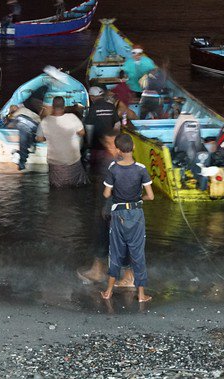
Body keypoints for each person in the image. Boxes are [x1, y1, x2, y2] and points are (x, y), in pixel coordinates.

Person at [76, 133, 134, 288]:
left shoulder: (119, 165)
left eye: (113, 144)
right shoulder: (119, 163)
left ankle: (129, 277)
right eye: (108, 143)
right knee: (102, 238)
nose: (110, 147)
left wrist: (109, 206)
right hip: (111, 209)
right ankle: (98, 270)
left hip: (116, 210)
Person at [101, 134, 154, 302]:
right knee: (137, 253)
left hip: (118, 214)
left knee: (115, 252)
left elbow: (106, 193)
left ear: (118, 150)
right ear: (134, 148)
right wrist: (138, 199)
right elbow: (151, 196)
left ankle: (108, 292)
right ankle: (140, 295)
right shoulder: (141, 169)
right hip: (136, 214)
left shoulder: (113, 168)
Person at [37, 96, 87, 187]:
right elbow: (82, 133)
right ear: (64, 107)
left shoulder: (45, 121)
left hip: (55, 162)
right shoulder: (72, 118)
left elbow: (39, 138)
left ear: (52, 107)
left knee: (57, 189)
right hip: (73, 160)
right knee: (77, 187)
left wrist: (48, 137)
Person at [5, 102, 42, 170]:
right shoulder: (26, 110)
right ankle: (26, 150)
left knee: (22, 128)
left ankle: (22, 159)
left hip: (26, 123)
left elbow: (9, 126)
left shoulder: (17, 115)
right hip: (37, 126)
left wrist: (8, 120)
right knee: (25, 130)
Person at [83, 86, 119, 153]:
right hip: (111, 145)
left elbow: (89, 127)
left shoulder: (93, 108)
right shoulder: (111, 106)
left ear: (92, 97)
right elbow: (117, 124)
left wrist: (89, 142)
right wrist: (114, 140)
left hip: (97, 145)